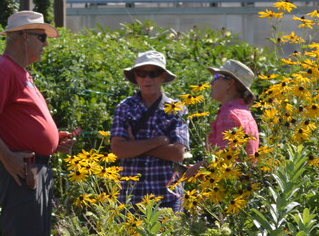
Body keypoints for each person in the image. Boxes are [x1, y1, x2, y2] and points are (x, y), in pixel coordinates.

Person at [0, 11, 77, 236]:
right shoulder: (3, 69)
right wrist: (6, 156)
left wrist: (52, 141)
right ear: (24, 37)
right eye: (41, 37)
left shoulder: (21, 73)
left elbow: (19, 121)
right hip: (21, 168)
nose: (45, 44)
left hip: (34, 166)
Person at [109, 50, 190, 211]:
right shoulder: (125, 107)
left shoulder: (176, 109)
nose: (147, 79)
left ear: (162, 77)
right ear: (136, 77)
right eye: (142, 73)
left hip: (167, 198)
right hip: (131, 197)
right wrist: (159, 141)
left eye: (153, 73)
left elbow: (178, 153)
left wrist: (134, 145)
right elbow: (118, 149)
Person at [205, 59, 259, 157]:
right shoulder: (244, 112)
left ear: (229, 83)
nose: (211, 82)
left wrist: (195, 169)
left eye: (217, 77)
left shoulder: (229, 115)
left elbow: (223, 161)